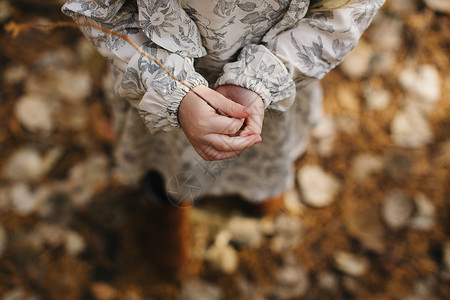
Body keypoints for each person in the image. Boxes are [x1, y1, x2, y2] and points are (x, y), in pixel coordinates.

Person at [62, 0, 385, 276]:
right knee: (168, 162)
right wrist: (174, 89)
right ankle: (168, 215)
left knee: (262, 145)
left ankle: (259, 188)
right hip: (162, 72)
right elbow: (98, 9)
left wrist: (259, 79)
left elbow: (346, 13)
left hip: (278, 72)